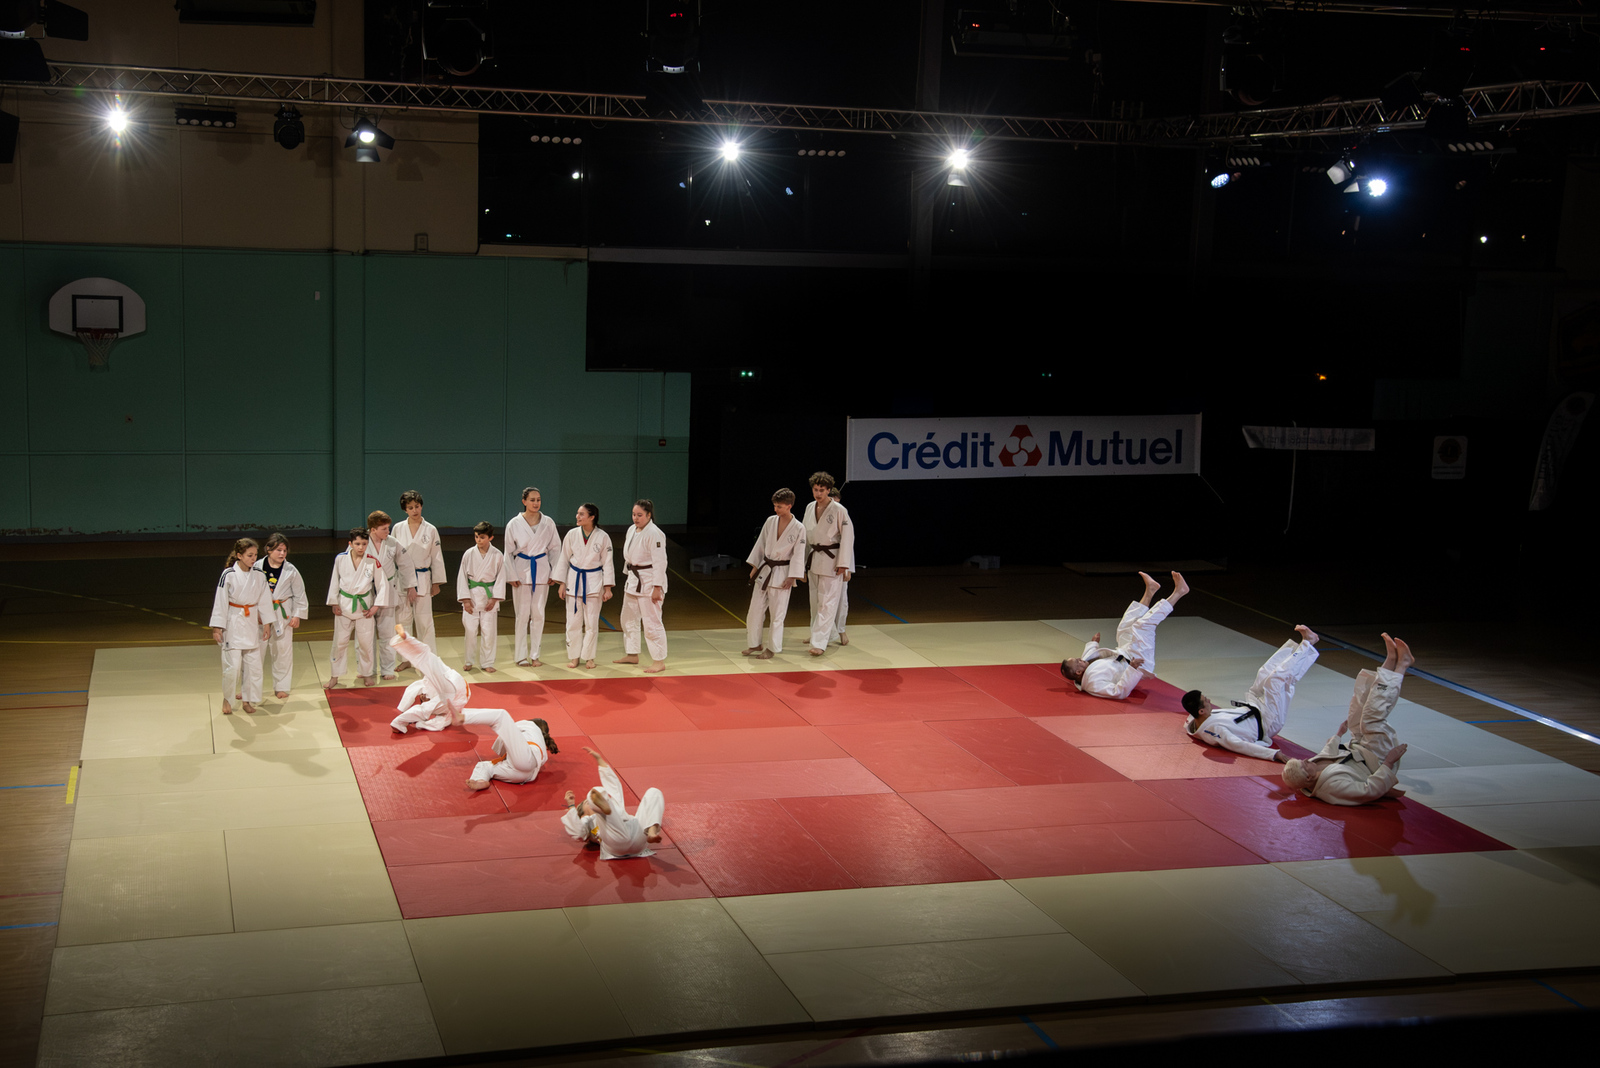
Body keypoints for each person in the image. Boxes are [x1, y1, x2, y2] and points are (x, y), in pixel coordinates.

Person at [1283, 633, 1414, 806]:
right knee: (1371, 716)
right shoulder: (1332, 788)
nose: (1307, 760)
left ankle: (1390, 660)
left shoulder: (1310, 771)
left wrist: (1338, 735)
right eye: (1304, 764)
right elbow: (1369, 791)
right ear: (1308, 777)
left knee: (1357, 707)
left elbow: (1326, 755)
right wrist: (1389, 762)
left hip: (1357, 746)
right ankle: (1402, 665)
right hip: (1378, 759)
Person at [1182, 625, 1320, 761]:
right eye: (1205, 701)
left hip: (1253, 706)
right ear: (1201, 711)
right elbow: (1240, 746)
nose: (1209, 701)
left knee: (1263, 672)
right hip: (1268, 721)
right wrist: (1273, 754)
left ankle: (1303, 647)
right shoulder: (1213, 730)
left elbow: (1189, 715)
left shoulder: (1195, 719)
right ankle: (1307, 643)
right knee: (1275, 679)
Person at [1060, 570, 1190, 700]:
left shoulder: (1084, 666)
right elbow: (1118, 692)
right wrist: (1132, 669)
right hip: (1138, 662)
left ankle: (1150, 590)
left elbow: (1088, 654)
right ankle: (1179, 592)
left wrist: (1093, 643)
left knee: (1125, 626)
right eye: (1077, 661)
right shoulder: (1092, 684)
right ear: (1078, 671)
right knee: (1142, 626)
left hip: (1124, 652)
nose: (1080, 659)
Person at [560, 745, 664, 859]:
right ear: (583, 814)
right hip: (617, 843)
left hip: (639, 838)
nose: (589, 803)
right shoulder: (587, 822)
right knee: (595, 792)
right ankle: (601, 803)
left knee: (654, 792)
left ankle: (652, 831)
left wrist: (600, 760)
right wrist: (571, 806)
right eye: (587, 803)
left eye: (590, 802)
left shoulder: (614, 807)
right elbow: (578, 832)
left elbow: (614, 787)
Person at [743, 487, 807, 659]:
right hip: (765, 570)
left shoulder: (799, 528)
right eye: (775, 506)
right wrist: (755, 566)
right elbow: (761, 544)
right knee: (754, 611)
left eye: (779, 506)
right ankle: (755, 643)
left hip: (782, 573)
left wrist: (792, 577)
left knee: (777, 615)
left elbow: (798, 554)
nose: (775, 509)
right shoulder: (770, 521)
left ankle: (772, 648)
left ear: (789, 506)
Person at [210, 537, 272, 714]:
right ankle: (227, 699)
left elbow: (265, 600)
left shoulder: (259, 575)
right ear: (239, 555)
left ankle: (247, 700)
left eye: (255, 555)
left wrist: (267, 623)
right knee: (233, 668)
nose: (254, 559)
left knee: (253, 666)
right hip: (234, 623)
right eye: (249, 555)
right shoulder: (229, 574)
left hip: (252, 623)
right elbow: (220, 601)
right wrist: (217, 627)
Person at [326, 527, 394, 689]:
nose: (361, 547)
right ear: (350, 544)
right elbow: (334, 581)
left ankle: (367, 673)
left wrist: (375, 607)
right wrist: (334, 602)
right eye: (357, 544)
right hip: (344, 606)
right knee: (339, 642)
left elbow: (382, 585)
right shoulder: (340, 559)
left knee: (365, 643)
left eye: (364, 544)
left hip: (364, 609)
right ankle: (334, 675)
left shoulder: (372, 561)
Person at [552, 502, 615, 669]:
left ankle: (589, 657)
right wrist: (561, 583)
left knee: (591, 623)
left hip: (594, 582)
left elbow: (608, 563)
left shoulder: (603, 537)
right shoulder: (572, 534)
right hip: (573, 581)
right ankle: (574, 657)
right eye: (577, 513)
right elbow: (563, 559)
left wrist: (608, 588)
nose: (577, 517)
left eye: (581, 514)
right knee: (572, 622)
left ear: (591, 517)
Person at [504, 486, 561, 668]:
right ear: (524, 501)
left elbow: (555, 549)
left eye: (538, 500)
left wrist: (554, 572)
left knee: (539, 614)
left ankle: (535, 655)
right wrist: (511, 574)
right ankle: (521, 656)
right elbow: (508, 552)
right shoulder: (514, 523)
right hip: (521, 570)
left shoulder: (548, 522)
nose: (536, 503)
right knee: (522, 615)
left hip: (542, 569)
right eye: (532, 500)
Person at [614, 498, 669, 673]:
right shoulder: (632, 530)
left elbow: (660, 562)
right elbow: (629, 558)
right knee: (628, 619)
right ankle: (632, 654)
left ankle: (659, 661)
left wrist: (657, 587)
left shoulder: (655, 533)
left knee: (652, 622)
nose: (635, 518)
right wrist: (627, 574)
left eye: (639, 515)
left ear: (649, 515)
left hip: (649, 581)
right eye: (633, 514)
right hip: (634, 580)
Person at [803, 471, 854, 657]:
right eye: (815, 490)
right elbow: (805, 537)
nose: (818, 493)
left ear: (828, 490)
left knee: (827, 603)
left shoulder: (839, 510)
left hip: (832, 560)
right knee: (815, 602)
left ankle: (819, 643)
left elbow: (848, 538)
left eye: (822, 490)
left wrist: (844, 564)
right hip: (814, 559)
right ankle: (826, 634)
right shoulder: (810, 507)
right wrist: (801, 565)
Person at [254, 533, 308, 701]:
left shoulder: (291, 570)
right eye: (278, 550)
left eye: (285, 550)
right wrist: (255, 612)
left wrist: (297, 615)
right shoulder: (256, 567)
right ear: (268, 550)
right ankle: (250, 688)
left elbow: (300, 594)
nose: (282, 553)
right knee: (254, 653)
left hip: (282, 615)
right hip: (260, 615)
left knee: (283, 652)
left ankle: (281, 687)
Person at [393, 490, 446, 660]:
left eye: (417, 506)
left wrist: (436, 582)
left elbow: (436, 556)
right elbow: (391, 554)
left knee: (425, 621)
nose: (414, 510)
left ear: (421, 506)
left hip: (423, 577)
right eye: (410, 508)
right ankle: (405, 659)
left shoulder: (430, 529)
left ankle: (428, 659)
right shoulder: (397, 528)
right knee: (403, 620)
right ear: (405, 510)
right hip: (402, 579)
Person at [389, 625, 470, 733]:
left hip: (454, 687)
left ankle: (399, 722)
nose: (424, 698)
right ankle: (399, 722)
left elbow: (413, 690)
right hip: (455, 683)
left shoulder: (436, 701)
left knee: (428, 659)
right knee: (428, 658)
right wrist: (418, 721)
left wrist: (403, 709)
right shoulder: (442, 707)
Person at [463, 709, 559, 791]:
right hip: (526, 775)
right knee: (485, 766)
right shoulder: (539, 742)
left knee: (502, 716)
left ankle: (462, 716)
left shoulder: (529, 725)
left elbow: (504, 738)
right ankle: (481, 781)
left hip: (523, 760)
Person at [457, 521, 506, 672]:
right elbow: (462, 577)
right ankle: (469, 660)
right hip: (471, 595)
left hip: (489, 595)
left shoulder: (497, 555)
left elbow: (501, 578)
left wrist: (494, 598)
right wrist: (465, 600)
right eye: (476, 537)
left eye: (482, 537)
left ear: (490, 537)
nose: (478, 540)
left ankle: (487, 662)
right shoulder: (469, 554)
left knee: (489, 632)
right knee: (470, 631)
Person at [366, 510, 402, 681]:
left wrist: (410, 586)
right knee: (365, 635)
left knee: (387, 633)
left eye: (388, 527)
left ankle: (387, 669)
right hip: (366, 591)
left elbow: (405, 564)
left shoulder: (393, 542)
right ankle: (367, 669)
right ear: (373, 529)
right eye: (384, 529)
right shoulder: (361, 542)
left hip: (387, 590)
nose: (388, 531)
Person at [827, 485, 852, 646]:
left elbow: (848, 543)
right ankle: (818, 632)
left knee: (842, 599)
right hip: (823, 561)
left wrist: (848, 567)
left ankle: (841, 630)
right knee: (819, 601)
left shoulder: (843, 514)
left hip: (841, 563)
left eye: (837, 502)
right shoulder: (818, 515)